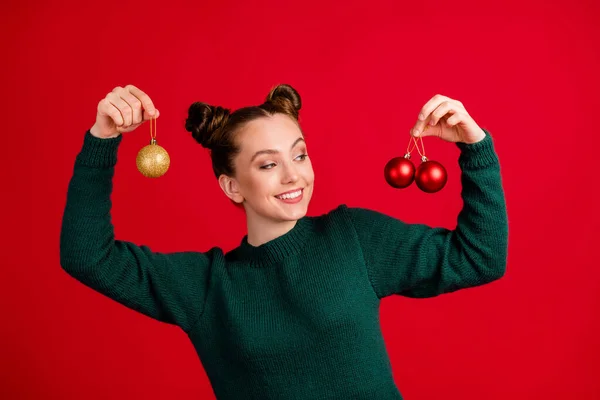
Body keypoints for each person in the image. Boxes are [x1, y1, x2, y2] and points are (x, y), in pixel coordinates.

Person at [60, 83, 508, 399]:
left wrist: (475, 146)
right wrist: (103, 137)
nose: (294, 174)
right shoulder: (206, 287)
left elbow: (480, 258)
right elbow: (87, 256)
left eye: (299, 154)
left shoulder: (352, 238)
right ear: (232, 187)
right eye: (268, 164)